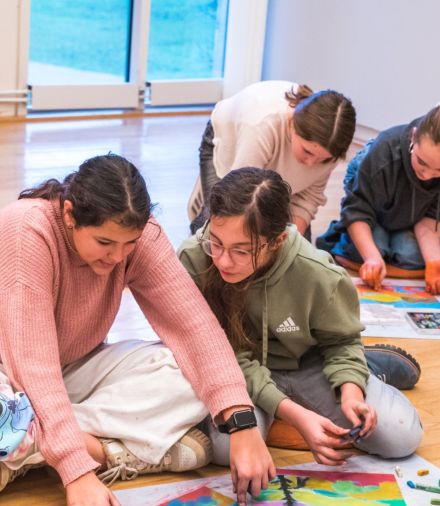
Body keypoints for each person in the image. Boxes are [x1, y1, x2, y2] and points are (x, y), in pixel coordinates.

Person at [0, 154, 276, 506]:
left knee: (185, 371)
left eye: (128, 244)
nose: (118, 256)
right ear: (70, 214)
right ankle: (112, 452)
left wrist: (241, 421)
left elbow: (193, 325)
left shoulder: (139, 236)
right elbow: (31, 363)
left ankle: (24, 447)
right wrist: (76, 472)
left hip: (73, 368)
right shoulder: (24, 231)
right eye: (104, 242)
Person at [178, 167, 424, 467]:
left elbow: (342, 341)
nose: (223, 261)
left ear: (278, 241)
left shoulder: (318, 273)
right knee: (224, 451)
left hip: (307, 363)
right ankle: (293, 417)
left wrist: (350, 390)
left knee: (400, 437)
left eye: (241, 251)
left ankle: (366, 367)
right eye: (215, 242)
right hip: (234, 373)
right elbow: (221, 356)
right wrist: (294, 414)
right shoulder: (193, 259)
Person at [316, 93, 440, 294]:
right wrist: (372, 258)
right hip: (372, 198)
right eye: (422, 162)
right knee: (372, 251)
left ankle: (396, 236)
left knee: (412, 257)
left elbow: (432, 215)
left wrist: (434, 260)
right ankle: (367, 245)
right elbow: (357, 210)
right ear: (413, 136)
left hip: (411, 211)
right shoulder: (384, 151)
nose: (427, 175)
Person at [187, 80, 356, 238]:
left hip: (267, 161)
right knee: (216, 229)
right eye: (307, 152)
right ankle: (206, 198)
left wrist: (291, 241)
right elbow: (240, 194)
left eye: (323, 160)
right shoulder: (261, 126)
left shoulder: (331, 145)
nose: (311, 164)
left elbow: (308, 198)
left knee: (295, 254)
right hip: (229, 142)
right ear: (293, 124)